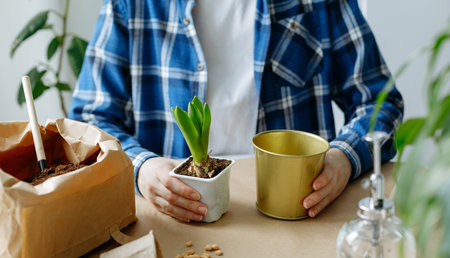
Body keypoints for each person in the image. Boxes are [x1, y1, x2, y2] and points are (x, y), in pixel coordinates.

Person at [69, 0, 403, 222]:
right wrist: (141, 167)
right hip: (178, 217)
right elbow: (89, 119)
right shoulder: (131, 5)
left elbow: (380, 102)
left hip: (300, 211)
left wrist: (344, 157)